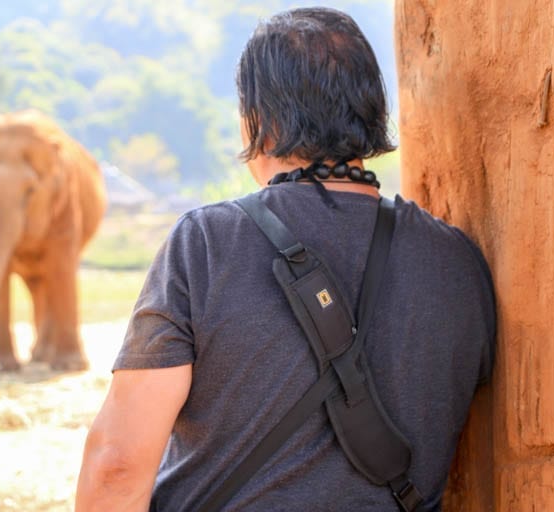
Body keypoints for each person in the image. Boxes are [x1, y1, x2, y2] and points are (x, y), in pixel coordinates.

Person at [75, 7, 495, 512]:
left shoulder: (207, 244)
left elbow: (118, 467)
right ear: (370, 110)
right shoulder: (458, 262)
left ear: (260, 120)